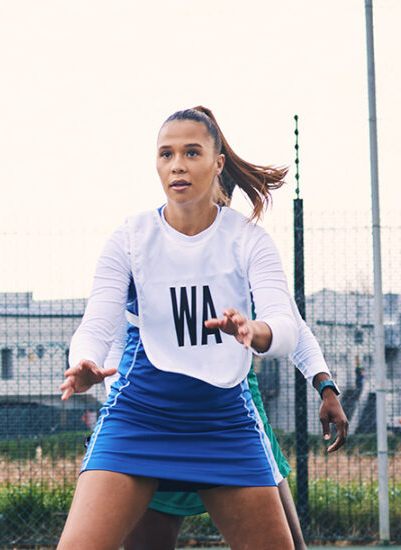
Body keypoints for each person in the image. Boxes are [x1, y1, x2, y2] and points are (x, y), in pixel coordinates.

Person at [58, 106, 309, 550]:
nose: (177, 164)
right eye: (166, 154)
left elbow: (286, 326)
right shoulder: (131, 238)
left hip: (224, 422)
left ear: (217, 162)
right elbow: (95, 325)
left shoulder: (248, 239)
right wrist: (84, 361)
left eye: (192, 152)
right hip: (139, 417)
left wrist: (255, 330)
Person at [111, 322, 348, 550]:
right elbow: (115, 339)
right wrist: (122, 409)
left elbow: (293, 326)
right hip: (158, 421)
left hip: (237, 421)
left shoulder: (247, 291)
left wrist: (326, 387)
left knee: (291, 545)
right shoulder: (141, 294)